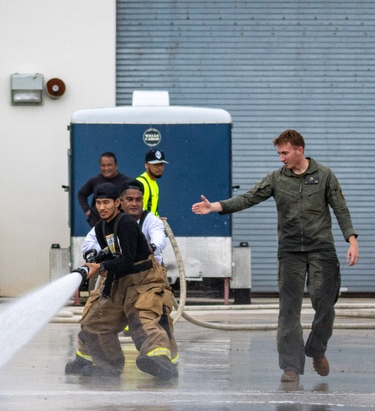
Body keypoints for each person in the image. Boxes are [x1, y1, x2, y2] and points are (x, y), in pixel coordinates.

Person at [192, 129, 358, 384]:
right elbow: (249, 197)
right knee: (288, 310)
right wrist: (216, 206)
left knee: (324, 303)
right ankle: (291, 367)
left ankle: (317, 350)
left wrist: (352, 240)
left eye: (285, 152)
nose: (281, 158)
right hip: (290, 251)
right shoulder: (276, 179)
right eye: (279, 153)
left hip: (321, 250)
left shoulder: (324, 175)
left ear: (299, 150)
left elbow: (340, 209)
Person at [64, 183, 177, 381]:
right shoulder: (102, 226)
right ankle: (108, 365)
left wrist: (101, 268)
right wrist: (94, 261)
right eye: (98, 203)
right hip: (119, 280)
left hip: (144, 280)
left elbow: (127, 259)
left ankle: (159, 360)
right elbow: (109, 253)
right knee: (95, 321)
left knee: (141, 317)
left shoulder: (125, 223)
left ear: (117, 203)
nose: (102, 207)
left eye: (106, 202)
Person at [76, 152, 131, 226]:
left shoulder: (125, 181)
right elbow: (81, 194)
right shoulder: (94, 181)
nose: (106, 168)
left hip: (119, 224)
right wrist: (87, 210)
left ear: (116, 165)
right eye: (103, 165)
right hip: (97, 223)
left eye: (109, 165)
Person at [135, 148, 168, 217]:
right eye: (155, 164)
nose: (159, 168)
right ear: (146, 165)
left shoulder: (154, 183)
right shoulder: (140, 183)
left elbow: (152, 211)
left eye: (161, 164)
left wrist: (157, 218)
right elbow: (134, 212)